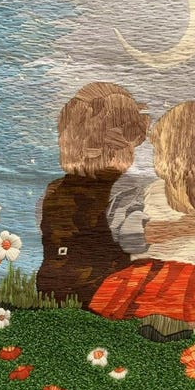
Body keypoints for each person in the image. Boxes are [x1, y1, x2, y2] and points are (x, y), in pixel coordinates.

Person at [90, 101, 195, 333]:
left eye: (160, 150)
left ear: (182, 153)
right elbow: (138, 236)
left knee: (172, 292)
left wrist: (178, 230)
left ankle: (175, 324)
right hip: (156, 268)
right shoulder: (157, 190)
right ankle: (169, 323)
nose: (155, 158)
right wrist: (179, 228)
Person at [36, 82, 150, 307]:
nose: (132, 156)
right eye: (128, 147)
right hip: (101, 287)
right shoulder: (121, 188)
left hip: (51, 284)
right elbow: (135, 242)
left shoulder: (55, 189)